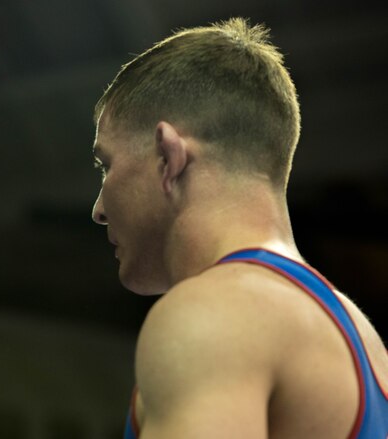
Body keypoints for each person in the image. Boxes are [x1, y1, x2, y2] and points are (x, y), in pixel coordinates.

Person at [90, 18, 387, 438]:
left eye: (107, 165)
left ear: (167, 156)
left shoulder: (216, 314)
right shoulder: (363, 341)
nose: (99, 209)